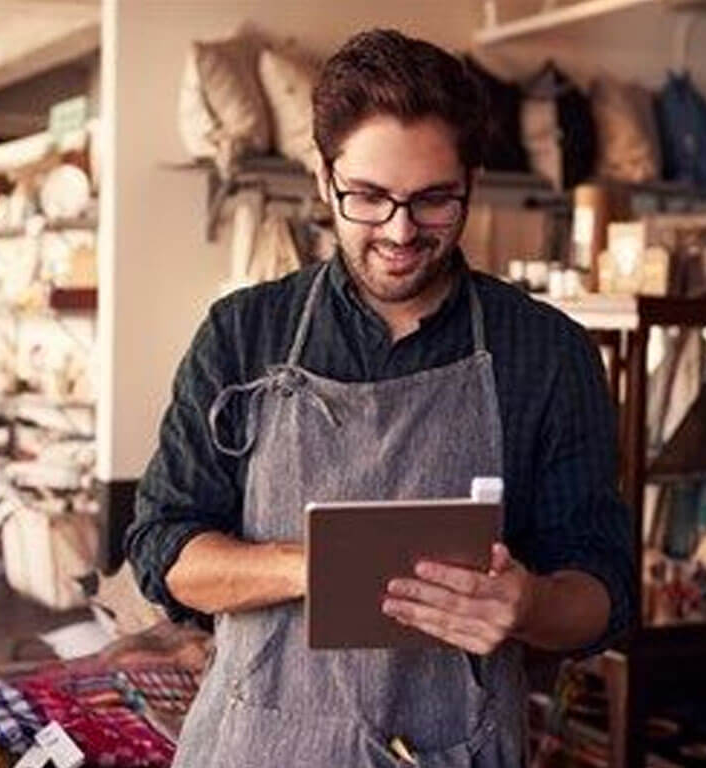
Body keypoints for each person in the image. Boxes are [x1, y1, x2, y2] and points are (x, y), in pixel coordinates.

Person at [125, 28, 635, 767]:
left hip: (455, 748)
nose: (400, 231)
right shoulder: (244, 333)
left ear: (472, 179)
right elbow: (161, 550)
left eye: (433, 200)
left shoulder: (546, 352)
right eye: (368, 197)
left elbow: (604, 589)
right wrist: (315, 567)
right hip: (259, 746)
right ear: (325, 179)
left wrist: (529, 605)